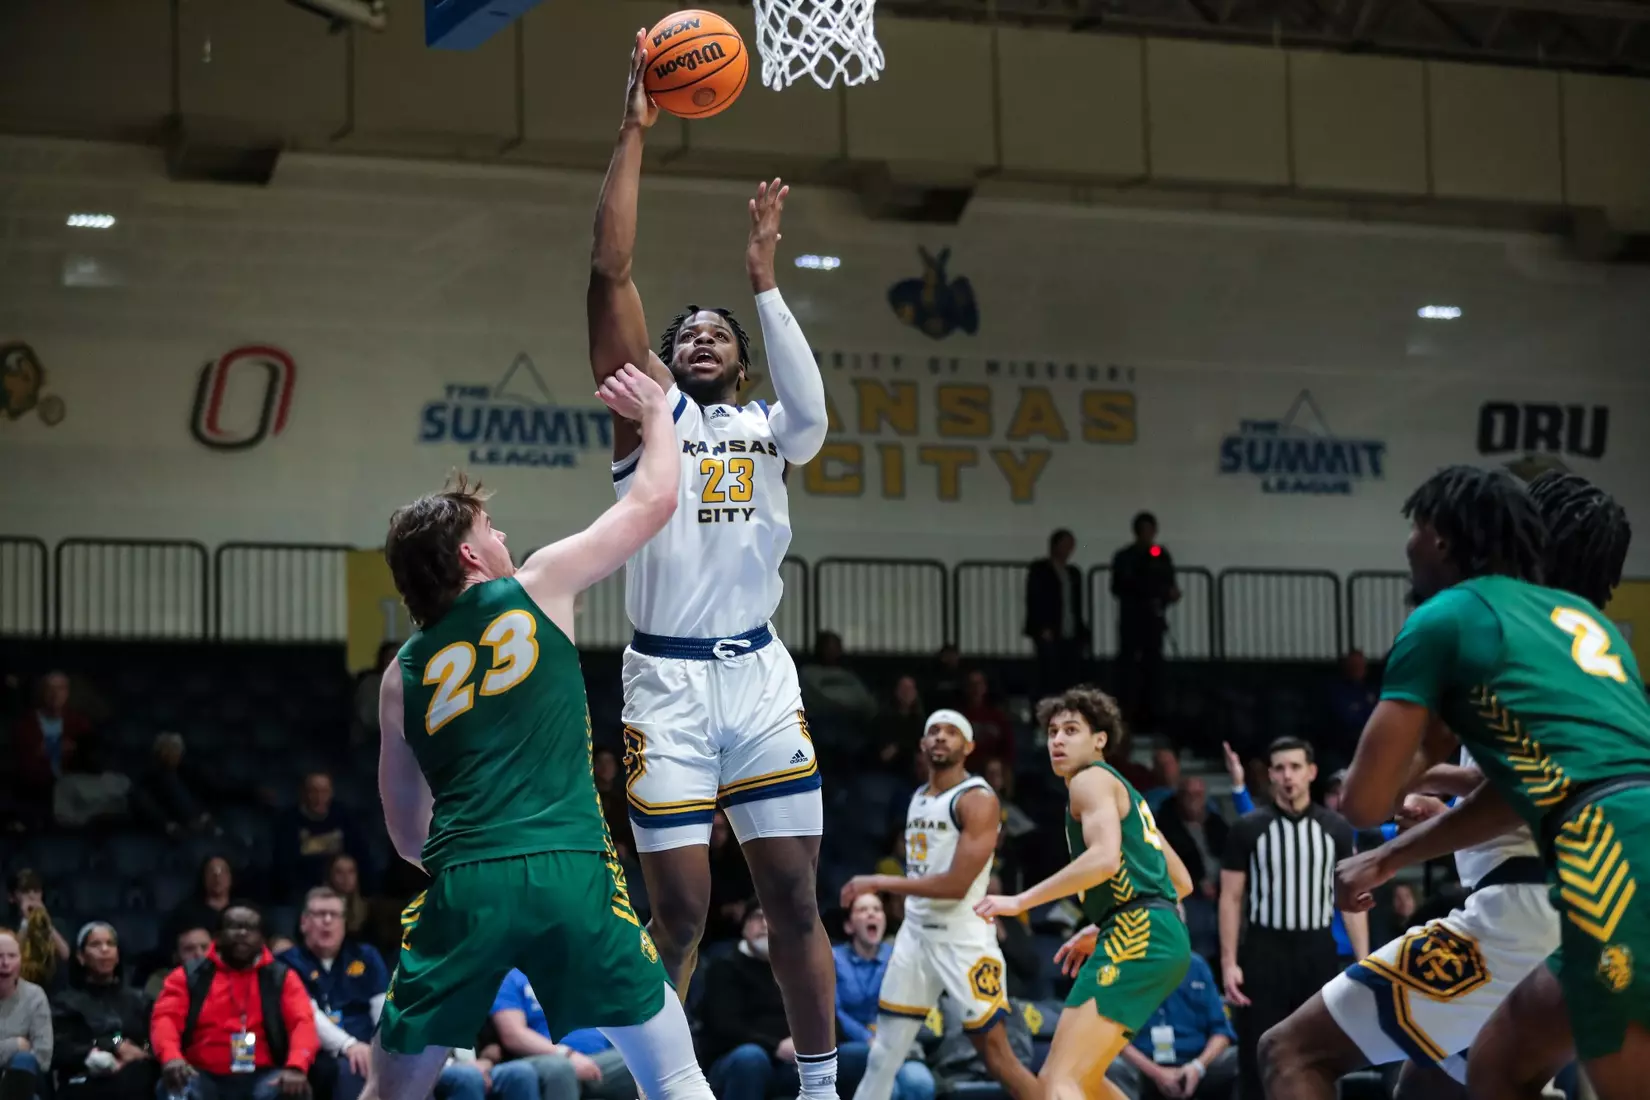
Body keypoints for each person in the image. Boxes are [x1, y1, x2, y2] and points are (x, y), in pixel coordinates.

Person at [587, 33, 835, 1099]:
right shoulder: (651, 417)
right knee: (681, 907)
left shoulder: (779, 427)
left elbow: (817, 411)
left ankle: (823, 1085)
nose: (693, 336)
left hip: (759, 675)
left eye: (713, 330)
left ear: (739, 352)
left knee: (793, 897)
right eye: (681, 331)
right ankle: (660, 1084)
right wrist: (635, 131)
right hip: (666, 680)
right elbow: (610, 271)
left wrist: (764, 283)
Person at [362, 364, 713, 1100]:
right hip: (570, 869)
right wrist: (658, 412)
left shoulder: (401, 674)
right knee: (675, 1075)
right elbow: (655, 501)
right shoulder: (539, 583)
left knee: (389, 1094)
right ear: (468, 556)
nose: (505, 535)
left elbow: (404, 835)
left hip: (466, 879)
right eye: (491, 529)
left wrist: (479, 871)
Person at [1308, 469, 1634, 1100]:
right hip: (1613, 902)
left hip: (1534, 906)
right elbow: (1532, 781)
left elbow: (1370, 803)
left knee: (1295, 1051)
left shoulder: (1488, 628)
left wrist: (1394, 833)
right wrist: (1444, 798)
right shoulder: (1596, 644)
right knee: (1443, 1083)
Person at [975, 686, 1194, 1100]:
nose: (1057, 739)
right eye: (1053, 731)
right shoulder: (1125, 792)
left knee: (1061, 1083)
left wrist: (1020, 901)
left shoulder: (1090, 780)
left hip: (1138, 932)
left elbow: (1105, 860)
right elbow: (1180, 881)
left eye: (1071, 729)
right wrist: (1108, 921)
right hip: (1151, 929)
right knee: (1079, 1078)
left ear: (1100, 740)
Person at [839, 710, 1039, 1100]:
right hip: (915, 938)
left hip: (962, 939)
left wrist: (878, 880)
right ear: (922, 745)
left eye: (952, 732)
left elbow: (955, 885)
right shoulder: (918, 796)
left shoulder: (977, 799)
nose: (941, 737)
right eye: (934, 731)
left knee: (997, 1058)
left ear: (969, 747)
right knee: (883, 1055)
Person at [1219, 738, 1365, 1100]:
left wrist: (1365, 962)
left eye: (1296, 767)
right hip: (1263, 951)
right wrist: (1228, 962)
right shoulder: (1248, 828)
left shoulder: (1337, 830)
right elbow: (1231, 897)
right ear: (1269, 775)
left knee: (1319, 1053)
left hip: (1316, 950)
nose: (1288, 776)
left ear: (1311, 772)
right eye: (1280, 768)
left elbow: (1351, 901)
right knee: (1256, 1054)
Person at [150, 904, 319, 1100]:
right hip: (202, 1074)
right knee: (176, 1088)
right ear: (218, 937)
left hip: (263, 1075)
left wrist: (296, 1065)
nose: (242, 932)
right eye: (234, 926)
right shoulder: (189, 975)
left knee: (293, 1091)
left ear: (262, 940)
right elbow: (165, 1019)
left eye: (251, 928)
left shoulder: (282, 977)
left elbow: (302, 1022)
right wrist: (171, 1057)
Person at [279, 888, 388, 1100]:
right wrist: (349, 1045)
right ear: (304, 922)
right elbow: (309, 1016)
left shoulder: (366, 955)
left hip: (371, 1045)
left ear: (344, 923)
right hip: (325, 1052)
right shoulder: (287, 963)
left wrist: (382, 1048)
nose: (327, 921)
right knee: (349, 1070)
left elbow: (383, 1008)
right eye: (319, 914)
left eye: (334, 914)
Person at [830, 894, 935, 1100]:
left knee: (921, 1083)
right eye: (863, 910)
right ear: (849, 926)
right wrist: (867, 1038)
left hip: (897, 1044)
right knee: (889, 1092)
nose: (871, 913)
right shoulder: (833, 958)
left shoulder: (899, 956)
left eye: (877, 909)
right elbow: (834, 1011)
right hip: (855, 1045)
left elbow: (910, 1004)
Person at [1099, 951, 1237, 1100]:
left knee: (1238, 1059)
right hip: (1143, 1064)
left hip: (1196, 1062)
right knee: (1112, 1067)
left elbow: (1221, 1032)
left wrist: (1197, 1067)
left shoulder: (1197, 965)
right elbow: (1116, 1036)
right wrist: (1157, 1072)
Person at [52, 922, 157, 1100]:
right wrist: (113, 1045)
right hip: (85, 1079)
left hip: (136, 1073)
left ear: (117, 956)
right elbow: (61, 1049)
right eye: (95, 944)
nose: (104, 949)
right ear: (81, 956)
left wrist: (142, 1051)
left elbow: (149, 1040)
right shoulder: (66, 1003)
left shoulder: (139, 1000)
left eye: (110, 944)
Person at [1109, 513, 1179, 736]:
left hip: (1153, 619)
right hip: (1132, 618)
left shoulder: (1160, 555)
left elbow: (1169, 583)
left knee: (1154, 667)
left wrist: (1167, 595)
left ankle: (1153, 714)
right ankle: (1129, 712)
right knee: (1129, 667)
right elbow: (1118, 587)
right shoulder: (1125, 557)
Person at [1024, 529, 1087, 697]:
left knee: (1068, 674)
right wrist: (1041, 626)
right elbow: (1035, 599)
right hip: (1049, 630)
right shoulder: (1040, 570)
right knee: (1048, 674)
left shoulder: (1073, 573)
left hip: (1069, 630)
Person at [0, 927, 51, 1099]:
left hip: (25, 1083)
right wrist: (15, 1044)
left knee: (24, 1061)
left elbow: (42, 1059)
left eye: (12, 956)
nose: (5, 963)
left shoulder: (35, 996)